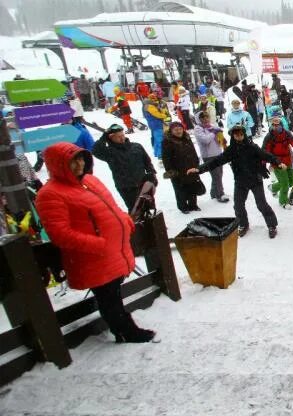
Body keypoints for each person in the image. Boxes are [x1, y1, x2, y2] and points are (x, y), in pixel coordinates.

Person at [37, 142, 155, 342]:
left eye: (80, 158)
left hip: (113, 251)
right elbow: (60, 233)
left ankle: (123, 327)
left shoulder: (90, 181)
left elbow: (111, 205)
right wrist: (98, 244)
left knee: (113, 292)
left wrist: (124, 221)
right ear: (57, 164)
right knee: (109, 297)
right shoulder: (50, 194)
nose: (79, 164)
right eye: (72, 161)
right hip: (93, 257)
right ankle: (125, 332)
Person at [188, 125, 283, 238]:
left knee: (261, 204)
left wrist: (278, 162)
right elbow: (216, 161)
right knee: (238, 205)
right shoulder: (231, 150)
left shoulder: (252, 147)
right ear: (233, 136)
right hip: (240, 181)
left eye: (241, 134)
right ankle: (243, 224)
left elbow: (266, 155)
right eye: (236, 135)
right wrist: (200, 169)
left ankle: (272, 225)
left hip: (255, 180)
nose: (239, 136)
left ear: (244, 135)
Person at [92, 124, 157, 211]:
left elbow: (147, 162)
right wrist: (104, 136)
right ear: (111, 138)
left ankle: (153, 224)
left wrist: (152, 173)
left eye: (122, 135)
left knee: (149, 207)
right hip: (126, 187)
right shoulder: (109, 152)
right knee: (135, 210)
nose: (122, 138)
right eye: (118, 137)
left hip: (143, 183)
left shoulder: (136, 146)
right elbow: (96, 150)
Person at [263, 114, 293, 209]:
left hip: (288, 161)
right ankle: (283, 201)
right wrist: (264, 163)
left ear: (281, 125)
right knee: (285, 184)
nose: (276, 127)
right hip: (277, 163)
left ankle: (273, 187)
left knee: (292, 180)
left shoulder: (286, 133)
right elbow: (264, 151)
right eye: (274, 125)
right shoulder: (269, 137)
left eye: (278, 125)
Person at [162, 122, 202, 214]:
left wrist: (196, 163)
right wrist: (170, 170)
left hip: (190, 167)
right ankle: (183, 207)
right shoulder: (167, 141)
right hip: (177, 169)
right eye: (175, 130)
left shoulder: (187, 137)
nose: (178, 131)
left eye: (180, 129)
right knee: (180, 189)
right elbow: (166, 158)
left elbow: (193, 150)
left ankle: (193, 205)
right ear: (171, 131)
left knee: (192, 186)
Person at [195, 111, 229, 203]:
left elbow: (220, 135)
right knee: (216, 176)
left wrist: (220, 134)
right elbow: (205, 140)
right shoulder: (198, 129)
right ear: (199, 119)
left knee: (218, 175)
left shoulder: (212, 126)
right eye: (203, 118)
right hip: (209, 156)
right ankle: (220, 194)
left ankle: (214, 192)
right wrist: (214, 133)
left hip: (218, 154)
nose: (205, 119)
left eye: (207, 117)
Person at [143, 93, 171, 160]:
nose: (155, 100)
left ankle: (156, 152)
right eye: (153, 98)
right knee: (160, 140)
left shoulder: (148, 105)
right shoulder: (150, 106)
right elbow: (157, 114)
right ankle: (160, 154)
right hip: (156, 124)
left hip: (154, 124)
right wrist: (164, 115)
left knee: (156, 139)